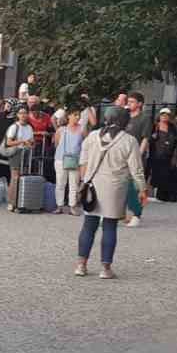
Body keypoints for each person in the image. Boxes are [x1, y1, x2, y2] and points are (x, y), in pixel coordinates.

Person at [76, 108, 147, 279]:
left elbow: (82, 162)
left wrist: (85, 181)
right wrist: (142, 189)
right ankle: (105, 268)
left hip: (92, 185)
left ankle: (81, 265)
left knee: (89, 225)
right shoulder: (129, 141)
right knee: (109, 226)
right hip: (115, 187)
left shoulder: (92, 136)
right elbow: (136, 169)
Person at [122, 92, 151, 226]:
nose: (129, 103)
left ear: (139, 104)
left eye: (132, 101)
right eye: (129, 101)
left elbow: (145, 139)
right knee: (121, 185)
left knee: (135, 187)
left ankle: (136, 215)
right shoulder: (125, 116)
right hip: (122, 157)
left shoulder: (144, 118)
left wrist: (138, 155)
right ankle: (120, 214)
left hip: (136, 157)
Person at [146, 109, 177, 202]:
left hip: (168, 155)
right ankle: (150, 194)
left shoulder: (172, 127)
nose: (165, 117)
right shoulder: (154, 126)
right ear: (159, 116)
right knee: (153, 174)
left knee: (169, 175)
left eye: (167, 115)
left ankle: (165, 195)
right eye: (163, 115)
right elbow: (147, 139)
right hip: (155, 155)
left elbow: (176, 141)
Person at [1, 106, 35, 212]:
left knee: (23, 176)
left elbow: (31, 141)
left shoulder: (29, 127)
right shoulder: (14, 127)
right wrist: (21, 142)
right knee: (15, 177)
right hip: (16, 153)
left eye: (25, 113)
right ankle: (12, 202)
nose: (23, 115)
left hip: (26, 152)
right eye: (21, 113)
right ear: (17, 115)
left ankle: (21, 202)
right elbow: (8, 142)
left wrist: (30, 144)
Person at [54, 108, 86, 214]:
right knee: (60, 183)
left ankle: (72, 206)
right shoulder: (61, 130)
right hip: (60, 159)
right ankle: (59, 205)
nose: (77, 117)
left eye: (78, 115)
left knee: (74, 184)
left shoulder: (82, 130)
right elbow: (57, 144)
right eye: (75, 115)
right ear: (69, 116)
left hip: (76, 159)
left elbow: (85, 145)